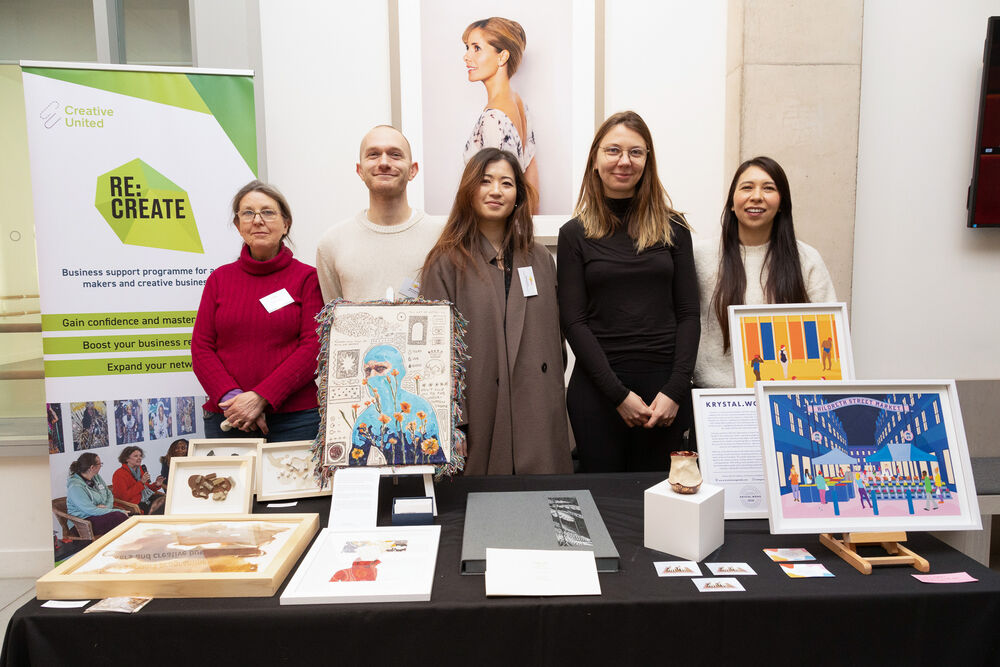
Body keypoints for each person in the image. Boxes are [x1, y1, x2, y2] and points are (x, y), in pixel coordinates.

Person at [558, 111, 699, 473]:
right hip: (598, 393)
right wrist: (618, 395)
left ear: (647, 161)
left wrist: (675, 390)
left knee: (661, 506)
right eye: (614, 150)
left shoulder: (674, 228)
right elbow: (574, 322)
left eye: (636, 152)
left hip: (665, 396)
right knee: (603, 508)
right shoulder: (574, 234)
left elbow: (688, 314)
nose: (624, 161)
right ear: (595, 160)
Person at [421, 147, 571, 475]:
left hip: (537, 410)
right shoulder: (445, 262)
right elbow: (435, 356)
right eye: (485, 181)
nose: (495, 191)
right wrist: (453, 421)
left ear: (518, 194)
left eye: (506, 183)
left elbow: (555, 342)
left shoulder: (541, 259)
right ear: (469, 190)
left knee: (545, 511)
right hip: (479, 409)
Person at [192, 180, 323, 442]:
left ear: (286, 224)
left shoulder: (308, 278)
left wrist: (261, 398)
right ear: (239, 225)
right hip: (228, 418)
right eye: (248, 213)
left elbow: (314, 347)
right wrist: (233, 401)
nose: (258, 220)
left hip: (295, 421)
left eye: (268, 212)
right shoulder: (219, 279)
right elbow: (201, 347)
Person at [693, 156, 836, 388]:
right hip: (714, 401)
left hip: (785, 397)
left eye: (768, 188)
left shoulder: (806, 259)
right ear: (731, 201)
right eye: (747, 187)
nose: (757, 196)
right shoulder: (700, 257)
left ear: (782, 203)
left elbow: (825, 335)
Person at [316, 126, 442, 302]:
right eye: (373, 154)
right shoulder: (332, 243)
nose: (383, 163)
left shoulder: (444, 234)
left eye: (395, 154)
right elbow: (334, 319)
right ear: (360, 171)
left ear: (413, 170)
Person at [461, 17, 539, 205]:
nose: (467, 56)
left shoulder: (493, 118)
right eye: (467, 48)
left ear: (502, 56)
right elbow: (531, 178)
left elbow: (495, 195)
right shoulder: (518, 102)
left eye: (477, 48)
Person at [65, 453, 129, 535]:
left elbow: (109, 494)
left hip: (98, 514)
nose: (101, 466)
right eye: (100, 464)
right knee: (119, 516)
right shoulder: (75, 487)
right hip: (82, 523)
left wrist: (106, 508)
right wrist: (117, 510)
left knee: (134, 516)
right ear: (92, 467)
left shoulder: (96, 476)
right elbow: (90, 510)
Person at [112, 446, 165, 515]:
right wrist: (141, 483)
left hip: (145, 499)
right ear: (127, 459)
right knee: (160, 508)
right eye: (136, 456)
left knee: (166, 501)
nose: (139, 458)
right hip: (132, 504)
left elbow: (146, 489)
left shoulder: (140, 469)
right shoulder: (119, 474)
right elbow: (124, 497)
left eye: (140, 456)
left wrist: (156, 484)